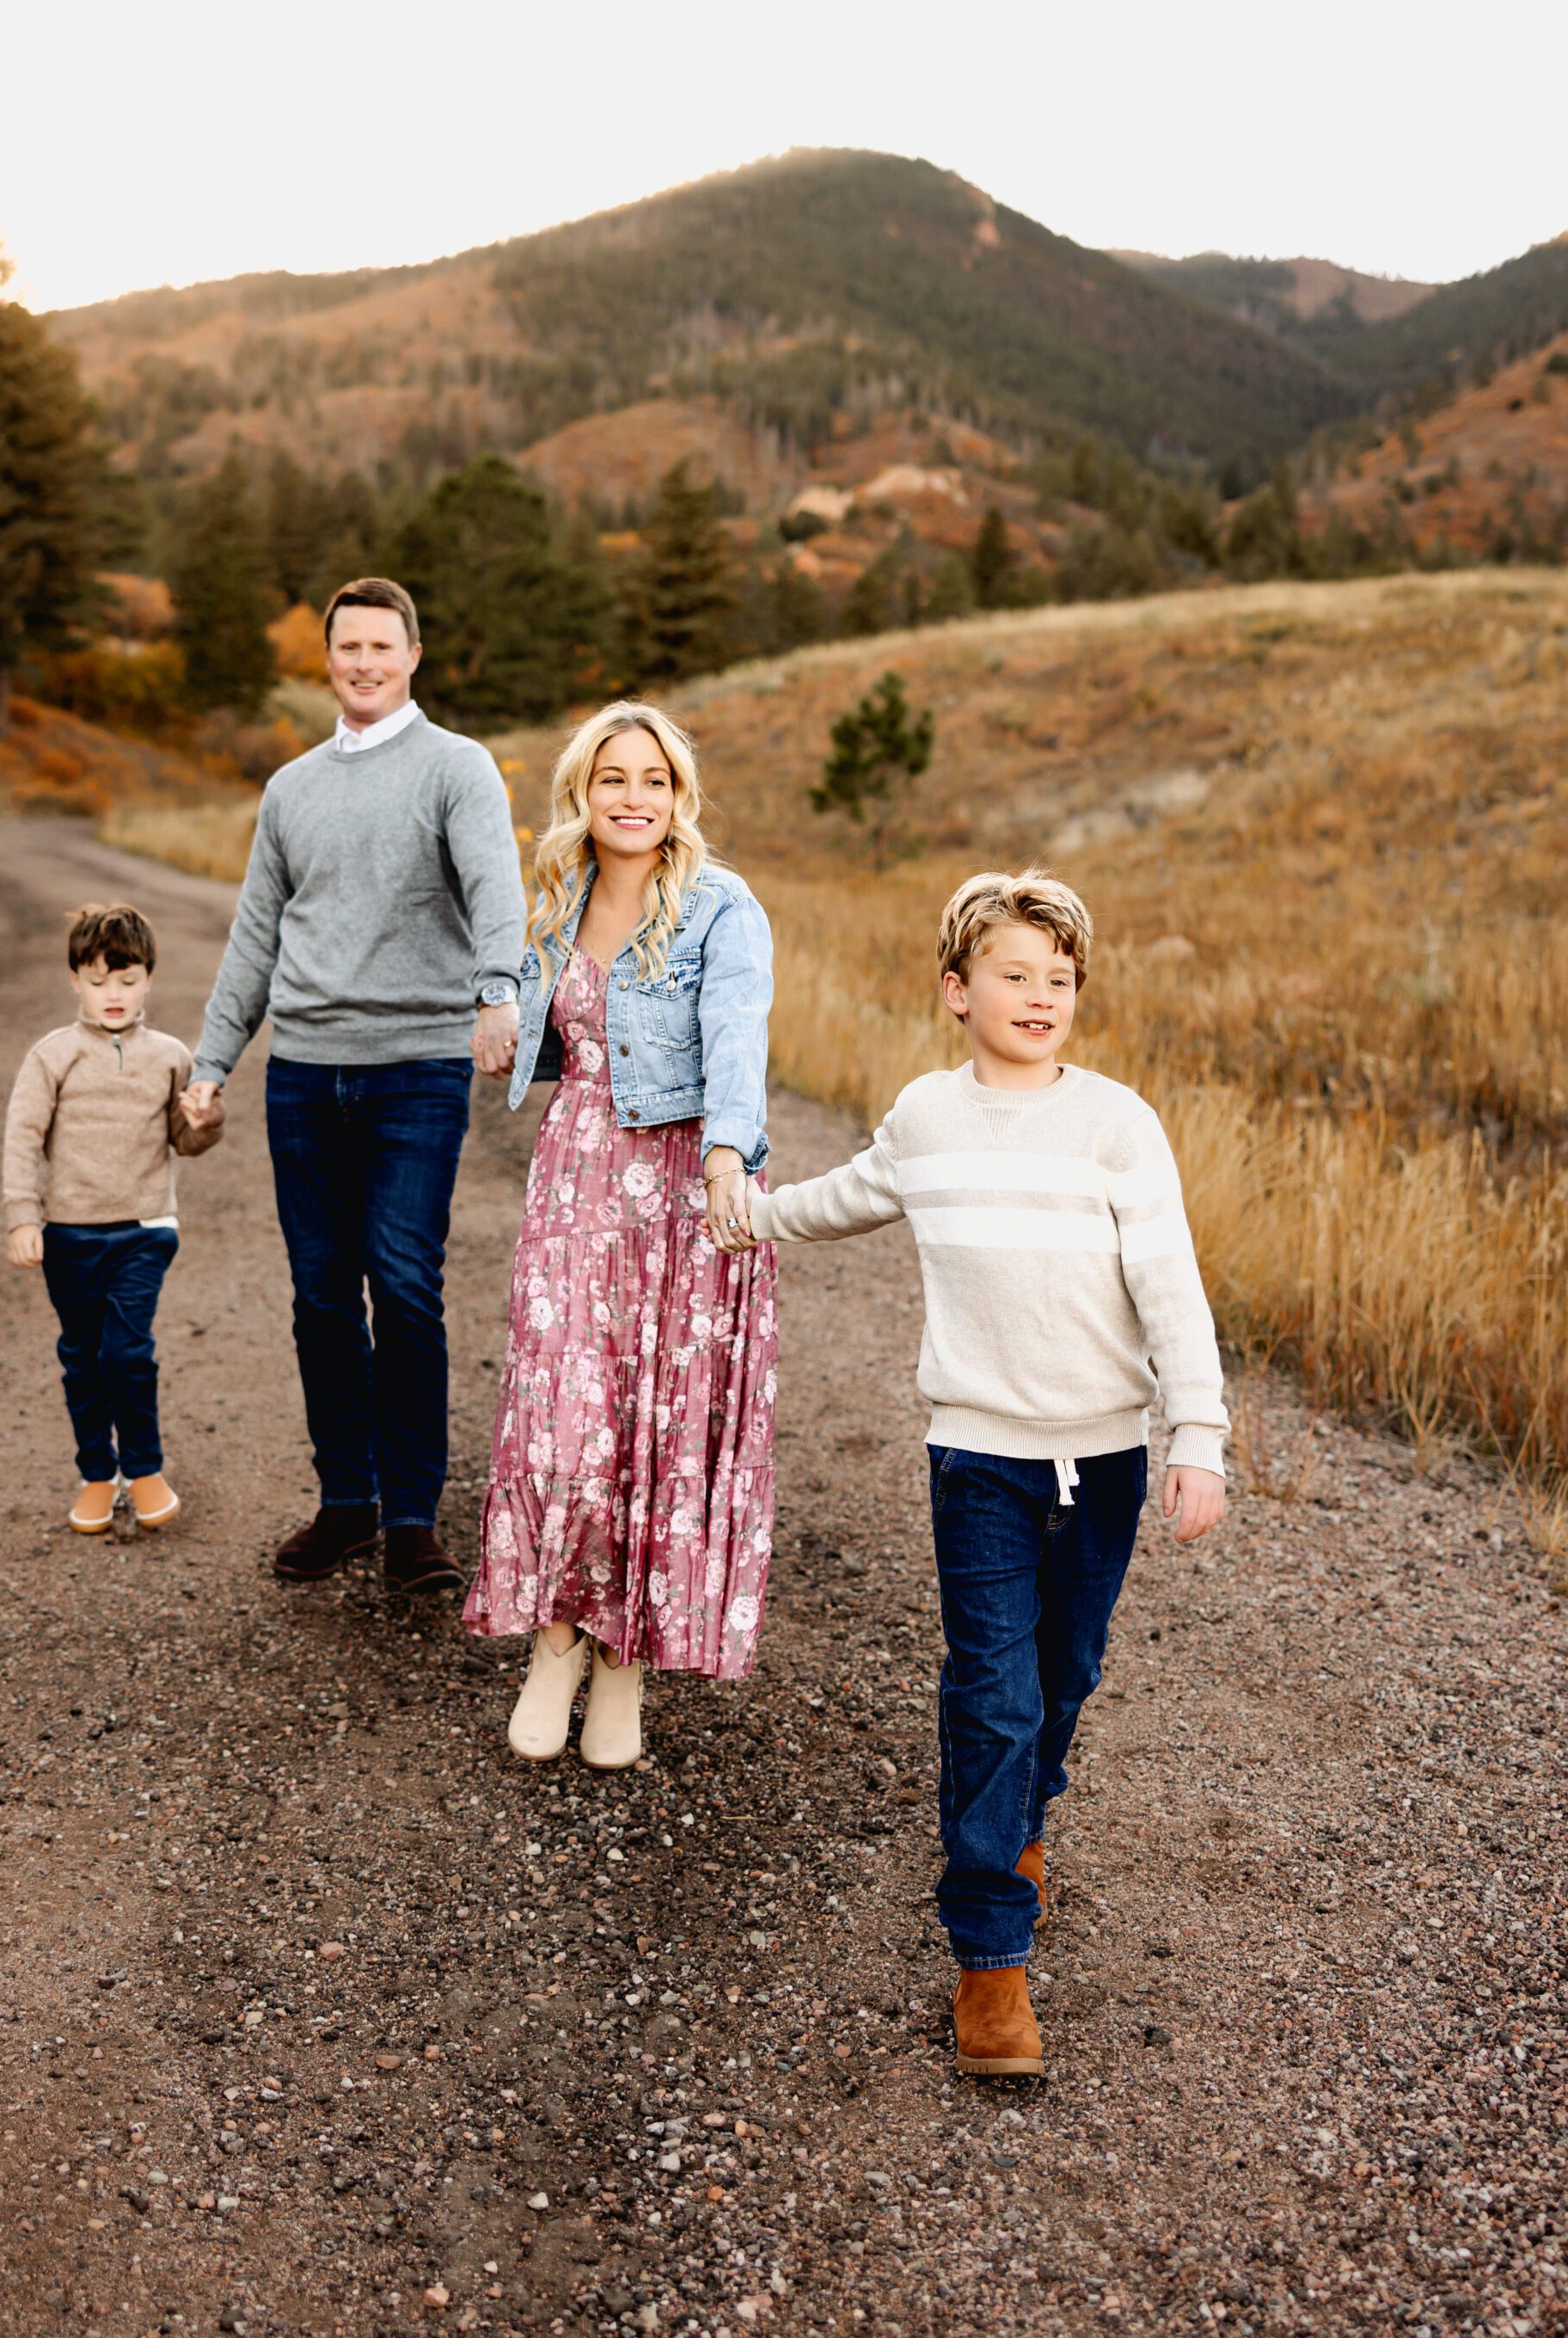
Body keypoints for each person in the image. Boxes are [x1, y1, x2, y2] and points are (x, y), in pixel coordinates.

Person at [743, 868, 1227, 2077]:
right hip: (977, 1462)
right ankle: (991, 1962)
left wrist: (1199, 1437)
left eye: (1060, 979)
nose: (1040, 995)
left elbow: (1172, 1288)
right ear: (956, 990)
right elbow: (841, 1197)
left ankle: (1018, 1823)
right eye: (1014, 974)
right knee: (995, 1694)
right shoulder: (924, 1117)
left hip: (1105, 1458)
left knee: (1066, 1678)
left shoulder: (1118, 1124)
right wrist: (740, 1212)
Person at [177, 577, 525, 1592]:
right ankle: (347, 1503)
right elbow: (253, 934)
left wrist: (499, 991)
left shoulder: (457, 769)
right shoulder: (291, 789)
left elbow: (495, 887)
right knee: (322, 1296)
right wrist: (210, 1062)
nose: (364, 663)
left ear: (414, 655)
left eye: (382, 646)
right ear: (325, 660)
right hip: (303, 1078)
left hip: (416, 1069)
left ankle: (414, 1515)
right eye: (347, 648)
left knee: (404, 1280)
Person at [462, 701, 777, 1770]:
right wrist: (498, 1007)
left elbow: (738, 1033)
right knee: (562, 1413)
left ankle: (626, 1662)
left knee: (657, 1429)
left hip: (688, 1182)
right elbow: (515, 982)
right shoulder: (557, 893)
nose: (633, 796)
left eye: (653, 778)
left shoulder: (721, 905)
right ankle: (553, 1642)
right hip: (576, 1176)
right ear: (582, 796)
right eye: (612, 778)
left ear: (678, 796)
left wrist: (730, 1156)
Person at [2, 900, 222, 1537]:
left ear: (149, 977)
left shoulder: (171, 1055)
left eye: (127, 980)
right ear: (75, 980)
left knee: (127, 1352)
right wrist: (23, 1217)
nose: (114, 995)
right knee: (83, 1356)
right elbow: (22, 1137)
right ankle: (98, 1475)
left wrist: (207, 1121)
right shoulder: (53, 1056)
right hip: (68, 1232)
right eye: (99, 982)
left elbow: (187, 1137)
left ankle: (145, 1469)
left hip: (145, 1229)